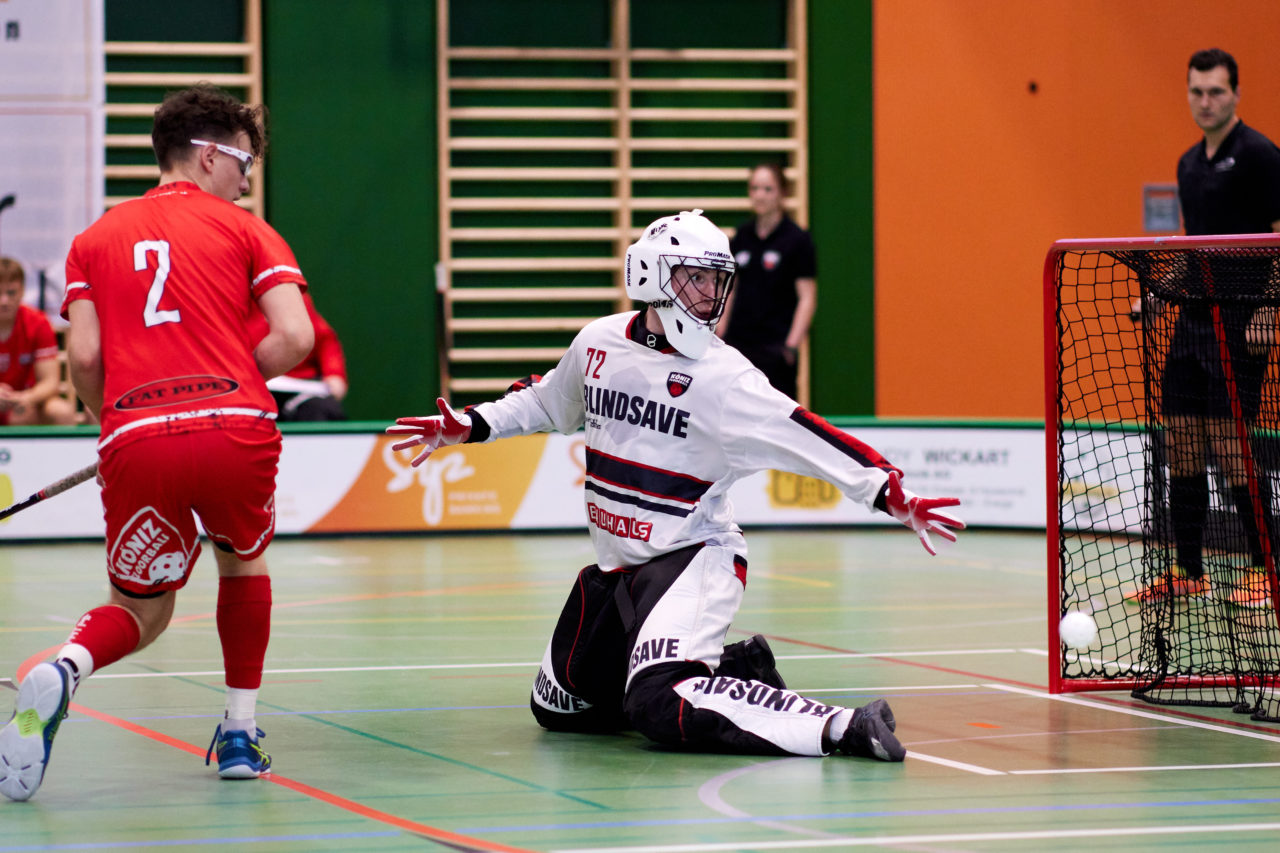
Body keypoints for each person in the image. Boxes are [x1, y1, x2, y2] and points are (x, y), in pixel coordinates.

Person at [388, 209, 963, 761]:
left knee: (658, 701)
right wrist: (473, 424)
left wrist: (891, 492)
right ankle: (738, 669)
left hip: (694, 558)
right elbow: (546, 401)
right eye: (695, 280)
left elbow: (810, 438)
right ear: (649, 275)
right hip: (620, 573)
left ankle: (839, 727)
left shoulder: (727, 378)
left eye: (718, 282)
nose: (711, 297)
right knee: (561, 707)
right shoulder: (599, 343)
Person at [0, 84, 313, 802]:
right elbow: (294, 337)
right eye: (243, 162)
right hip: (237, 427)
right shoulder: (248, 230)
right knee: (241, 563)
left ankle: (71, 663)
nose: (246, 178)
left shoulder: (93, 239)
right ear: (208, 156)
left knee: (143, 608)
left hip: (137, 432)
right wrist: (235, 378)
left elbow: (82, 360)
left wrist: (110, 418)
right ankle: (239, 732)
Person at [1130, 48, 1280, 609]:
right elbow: (1193, 248)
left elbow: (1279, 238)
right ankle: (1187, 571)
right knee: (1182, 444)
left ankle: (1267, 572)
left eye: (1216, 91)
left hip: (1242, 322)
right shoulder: (1188, 164)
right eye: (1197, 91)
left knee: (1232, 447)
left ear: (1236, 94)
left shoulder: (1261, 155)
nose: (1206, 101)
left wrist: (1271, 310)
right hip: (1193, 322)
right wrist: (1158, 289)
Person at [717, 163, 816, 400]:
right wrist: (719, 332)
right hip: (738, 343)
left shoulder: (797, 240)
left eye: (768, 189)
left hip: (775, 347)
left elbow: (807, 297)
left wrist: (791, 344)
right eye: (755, 188)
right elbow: (730, 289)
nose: (760, 195)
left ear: (782, 192)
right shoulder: (742, 236)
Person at [0, 256, 78, 426]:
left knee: (61, 412)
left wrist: (25, 398)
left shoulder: (37, 323)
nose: (3, 301)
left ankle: (61, 453)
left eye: (11, 292)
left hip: (28, 403)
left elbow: (50, 382)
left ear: (22, 291)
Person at [249, 291, 349, 421]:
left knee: (322, 410)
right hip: (250, 389)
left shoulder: (295, 298)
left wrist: (334, 374)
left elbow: (325, 340)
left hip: (302, 388)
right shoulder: (236, 303)